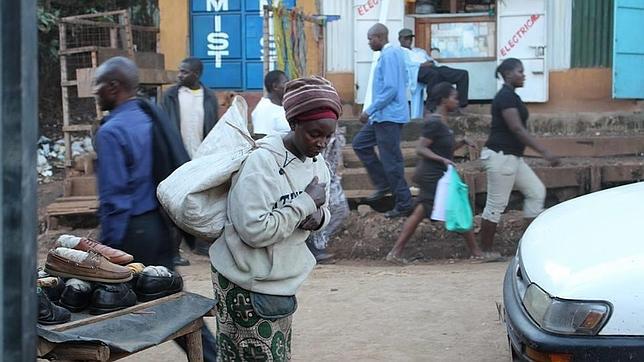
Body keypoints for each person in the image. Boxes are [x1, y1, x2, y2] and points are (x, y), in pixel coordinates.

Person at [93, 56, 217, 361]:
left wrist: (105, 247)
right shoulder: (148, 116)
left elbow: (115, 198)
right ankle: (213, 356)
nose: (95, 93)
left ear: (113, 87)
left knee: (96, 304)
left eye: (98, 86)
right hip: (158, 226)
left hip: (129, 232)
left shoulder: (111, 132)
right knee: (171, 301)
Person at [209, 76, 341, 360]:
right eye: (314, 134)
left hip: (280, 282)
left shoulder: (317, 164)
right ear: (294, 124)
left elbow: (322, 209)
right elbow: (254, 231)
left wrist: (317, 217)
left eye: (327, 136)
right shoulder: (261, 164)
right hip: (245, 280)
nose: (321, 143)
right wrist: (304, 204)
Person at [386, 82, 483, 264]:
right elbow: (421, 149)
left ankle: (395, 253)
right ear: (444, 99)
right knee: (459, 207)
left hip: (437, 174)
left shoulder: (442, 122)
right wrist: (442, 160)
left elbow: (443, 148)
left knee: (426, 211)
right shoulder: (434, 122)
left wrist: (461, 142)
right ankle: (476, 252)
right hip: (433, 175)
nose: (457, 101)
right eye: (454, 97)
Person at [479, 58, 560, 258]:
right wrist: (544, 151)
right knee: (495, 206)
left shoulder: (511, 96)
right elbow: (516, 128)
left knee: (536, 192)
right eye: (520, 71)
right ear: (508, 75)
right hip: (501, 157)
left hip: (512, 157)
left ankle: (526, 248)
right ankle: (485, 251)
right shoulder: (505, 97)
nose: (523, 75)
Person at [161, 56, 220, 264]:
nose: (179, 75)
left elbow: (213, 130)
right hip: (177, 159)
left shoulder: (209, 97)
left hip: (201, 160)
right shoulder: (170, 96)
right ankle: (174, 252)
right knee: (173, 205)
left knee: (202, 202)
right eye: (180, 71)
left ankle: (202, 245)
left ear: (196, 74)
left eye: (184, 72)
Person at [353, 23, 413, 219]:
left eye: (371, 39)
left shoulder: (389, 55)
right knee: (360, 144)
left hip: (388, 116)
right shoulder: (390, 55)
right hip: (383, 117)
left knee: (392, 161)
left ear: (380, 37)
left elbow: (390, 89)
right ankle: (383, 183)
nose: (369, 43)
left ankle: (404, 203)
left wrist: (369, 110)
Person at [305, 126, 350, 263]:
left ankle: (314, 245)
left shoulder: (332, 130)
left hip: (331, 175)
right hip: (317, 173)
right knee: (318, 210)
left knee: (341, 210)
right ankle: (314, 248)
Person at [398, 29, 470, 112]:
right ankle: (430, 107)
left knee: (462, 74)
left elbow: (431, 60)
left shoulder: (418, 51)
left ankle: (461, 105)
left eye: (410, 38)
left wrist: (432, 62)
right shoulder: (399, 52)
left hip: (432, 67)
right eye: (406, 38)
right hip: (416, 70)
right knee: (434, 75)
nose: (409, 40)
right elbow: (404, 65)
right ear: (400, 39)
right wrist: (421, 64)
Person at [252, 70, 290, 137]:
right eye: (285, 83)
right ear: (275, 86)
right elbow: (261, 139)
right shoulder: (263, 109)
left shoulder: (285, 106)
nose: (289, 86)